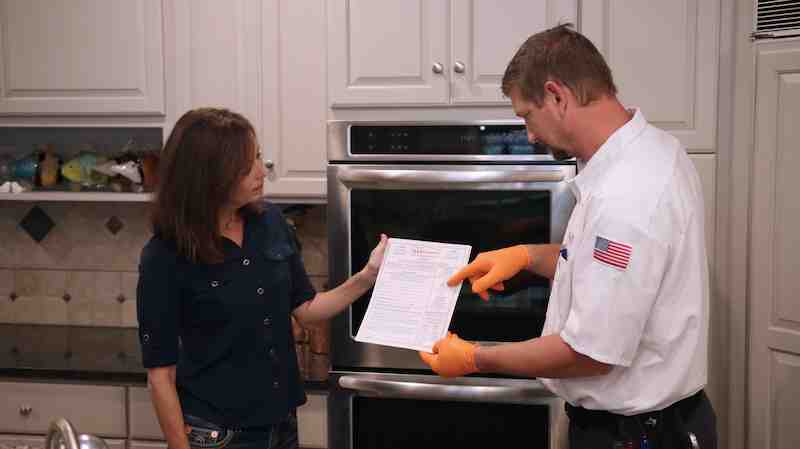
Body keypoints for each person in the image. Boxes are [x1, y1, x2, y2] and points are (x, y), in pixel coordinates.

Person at [419, 24, 717, 449]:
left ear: (557, 96)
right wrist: (527, 256)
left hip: (636, 436)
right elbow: (622, 269)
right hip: (649, 426)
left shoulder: (627, 195)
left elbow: (588, 354)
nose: (529, 135)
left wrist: (475, 357)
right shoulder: (654, 150)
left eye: (526, 116)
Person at [136, 107, 387, 449]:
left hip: (281, 421)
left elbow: (307, 309)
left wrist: (367, 277)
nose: (260, 171)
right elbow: (160, 376)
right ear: (207, 176)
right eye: (244, 167)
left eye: (257, 156)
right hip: (217, 433)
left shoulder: (269, 222)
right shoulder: (164, 256)